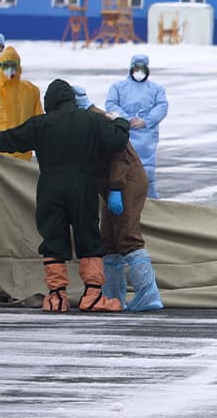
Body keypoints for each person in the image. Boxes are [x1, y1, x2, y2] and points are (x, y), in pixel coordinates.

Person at [0, 79, 130, 313]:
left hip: (50, 187)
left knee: (53, 240)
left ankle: (56, 297)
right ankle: (92, 296)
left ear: (49, 101)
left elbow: (11, 138)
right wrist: (121, 122)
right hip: (83, 185)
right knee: (89, 237)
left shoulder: (41, 124)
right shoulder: (91, 120)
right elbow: (117, 140)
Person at [72, 85, 164, 312]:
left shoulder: (98, 120)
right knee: (109, 241)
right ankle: (114, 296)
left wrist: (115, 187)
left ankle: (148, 294)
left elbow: (118, 157)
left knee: (127, 235)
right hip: (112, 184)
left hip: (125, 181)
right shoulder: (86, 120)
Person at [105, 54, 169, 198]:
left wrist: (146, 121)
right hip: (125, 134)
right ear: (131, 68)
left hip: (146, 137)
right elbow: (111, 104)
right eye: (137, 68)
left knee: (147, 174)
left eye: (142, 68)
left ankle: (152, 207)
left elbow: (162, 106)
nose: (139, 71)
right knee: (123, 169)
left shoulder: (156, 88)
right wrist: (126, 120)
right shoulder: (118, 87)